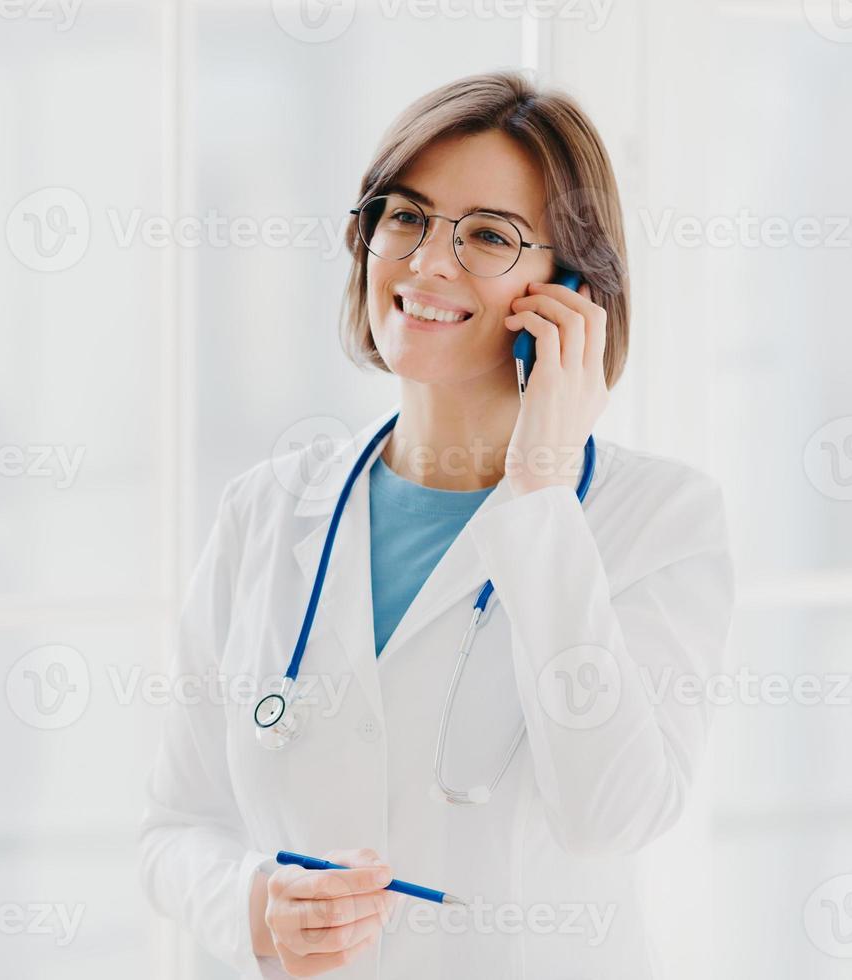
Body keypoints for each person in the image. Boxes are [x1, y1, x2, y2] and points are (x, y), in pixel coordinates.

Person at [137, 69, 735, 979]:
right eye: (406, 216)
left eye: (489, 235)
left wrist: (539, 494)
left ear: (569, 289)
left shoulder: (659, 520)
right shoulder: (262, 511)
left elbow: (612, 816)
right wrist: (251, 906)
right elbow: (176, 828)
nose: (426, 263)